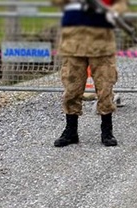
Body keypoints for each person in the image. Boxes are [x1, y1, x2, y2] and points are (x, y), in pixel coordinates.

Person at [52, 0, 128, 147]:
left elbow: (121, 4)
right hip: (73, 42)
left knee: (105, 87)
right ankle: (71, 131)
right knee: (72, 88)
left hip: (101, 42)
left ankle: (107, 131)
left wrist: (114, 12)